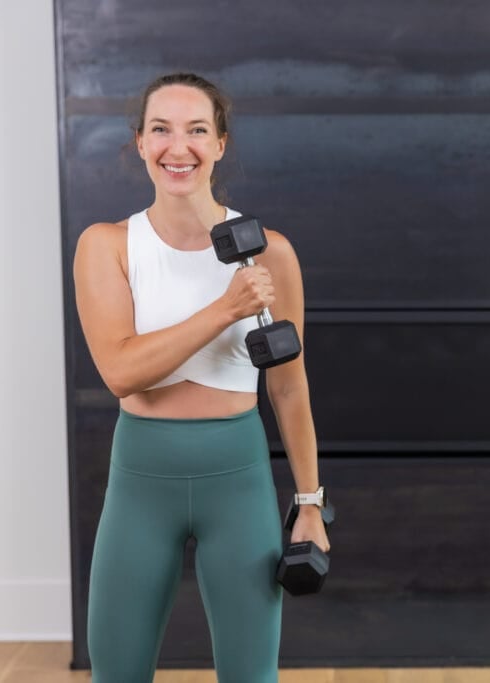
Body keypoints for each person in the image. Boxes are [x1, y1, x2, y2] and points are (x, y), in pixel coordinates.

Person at [73, 72, 329, 683]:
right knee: (117, 671)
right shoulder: (107, 246)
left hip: (236, 478)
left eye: (196, 130)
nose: (177, 147)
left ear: (220, 144)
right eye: (160, 129)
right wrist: (225, 309)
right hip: (141, 478)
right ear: (139, 143)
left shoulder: (271, 252)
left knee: (251, 673)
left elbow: (289, 387)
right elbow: (121, 371)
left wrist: (311, 503)